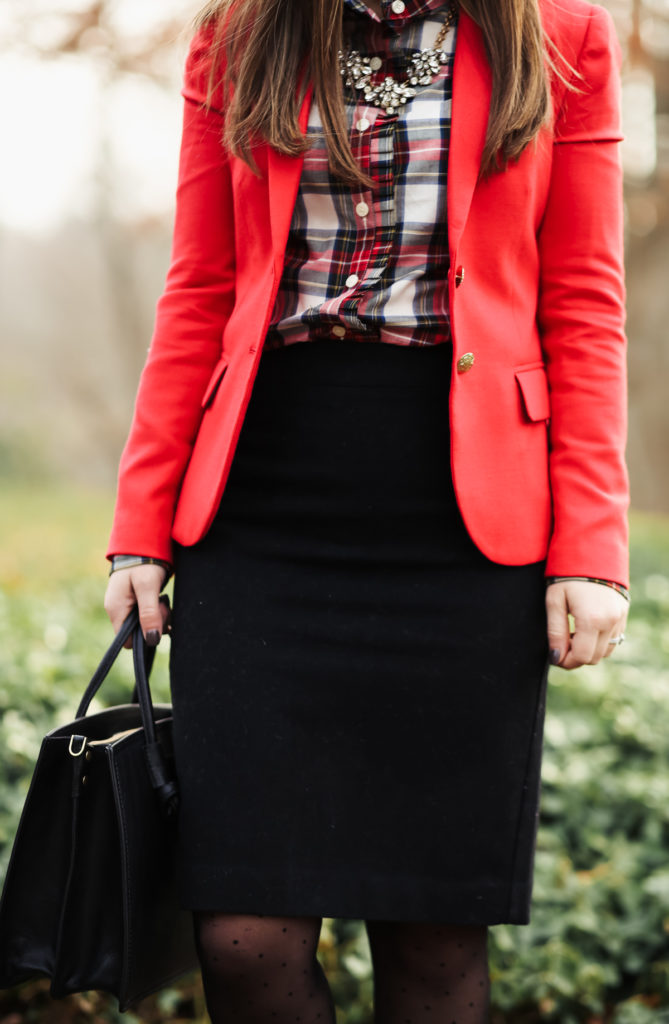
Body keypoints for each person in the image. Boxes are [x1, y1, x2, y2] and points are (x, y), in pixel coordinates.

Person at [104, 0, 630, 1019]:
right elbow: (199, 286)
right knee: (243, 931)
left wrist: (592, 549)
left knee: (431, 928)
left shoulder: (562, 35)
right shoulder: (240, 32)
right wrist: (141, 525)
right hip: (264, 512)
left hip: (466, 526)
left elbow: (584, 298)